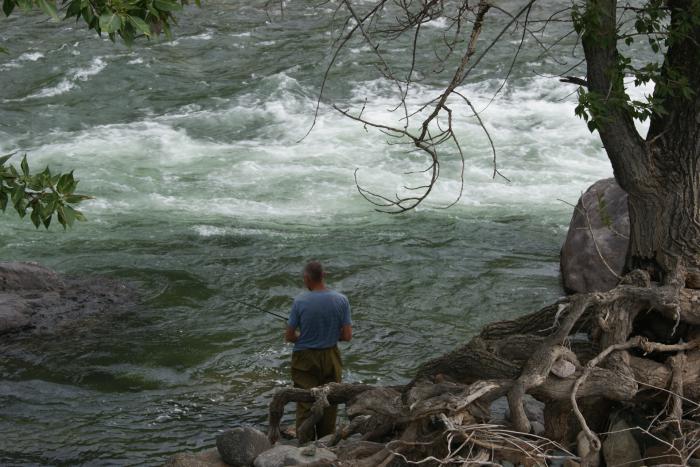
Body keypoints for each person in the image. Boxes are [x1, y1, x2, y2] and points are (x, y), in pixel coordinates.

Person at [285, 261, 352, 443]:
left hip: (305, 358)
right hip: (331, 356)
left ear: (307, 278)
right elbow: (347, 336)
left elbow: (289, 336)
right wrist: (329, 335)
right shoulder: (341, 300)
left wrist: (302, 336)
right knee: (329, 400)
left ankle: (304, 446)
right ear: (324, 275)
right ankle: (325, 445)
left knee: (306, 401)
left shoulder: (300, 301)